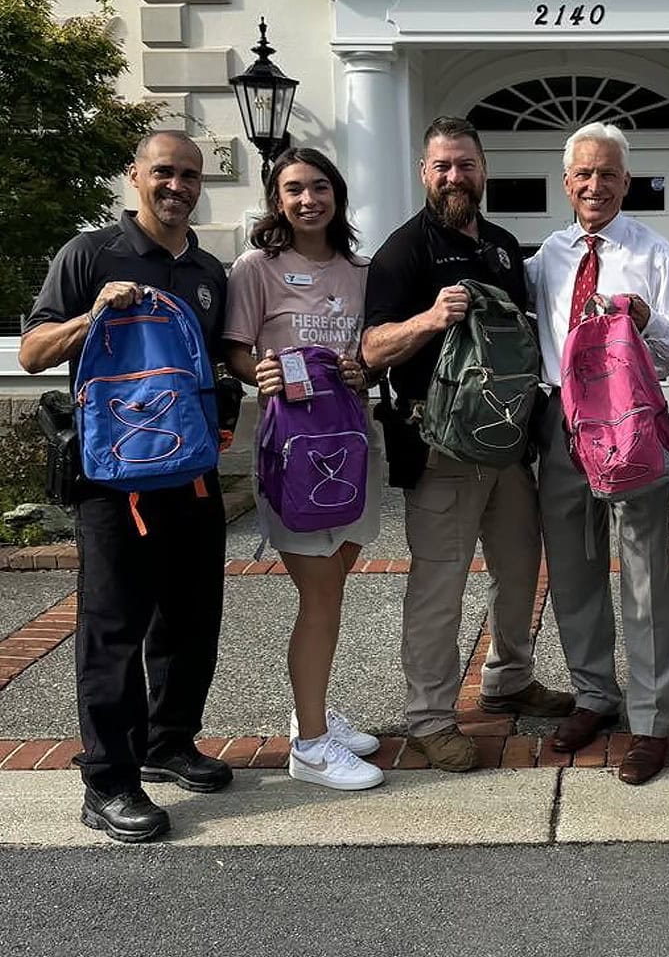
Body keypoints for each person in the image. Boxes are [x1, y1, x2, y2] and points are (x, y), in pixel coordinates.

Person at [19, 131, 232, 842]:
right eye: (164, 172)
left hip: (191, 473)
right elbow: (32, 351)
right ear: (135, 176)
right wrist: (92, 315)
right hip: (113, 480)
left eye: (190, 175)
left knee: (192, 616)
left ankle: (170, 741)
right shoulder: (89, 254)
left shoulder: (207, 268)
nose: (178, 185)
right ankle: (109, 780)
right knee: (114, 627)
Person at [361, 117, 573, 772]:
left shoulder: (506, 248)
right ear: (425, 173)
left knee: (519, 572)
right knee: (438, 587)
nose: (455, 176)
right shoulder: (403, 252)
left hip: (506, 448)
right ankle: (428, 717)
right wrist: (430, 318)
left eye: (465, 165)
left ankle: (508, 679)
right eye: (442, 166)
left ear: (483, 171)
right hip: (439, 448)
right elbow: (370, 351)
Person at [526, 122, 669, 785]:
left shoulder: (653, 251)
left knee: (645, 572)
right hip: (562, 425)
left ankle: (652, 719)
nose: (595, 185)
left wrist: (647, 316)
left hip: (631, 425)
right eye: (584, 175)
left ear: (626, 182)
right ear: (567, 183)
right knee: (573, 567)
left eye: (608, 174)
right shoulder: (549, 255)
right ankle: (595, 694)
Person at [224, 148, 385, 791]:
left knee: (335, 579)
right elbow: (235, 349)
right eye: (293, 189)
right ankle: (312, 747)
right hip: (293, 449)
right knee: (320, 596)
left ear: (337, 194)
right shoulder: (256, 268)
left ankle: (311, 711)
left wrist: (364, 368)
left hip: (353, 442)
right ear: (277, 200)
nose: (308, 199)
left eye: (319, 186)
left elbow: (373, 349)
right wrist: (255, 371)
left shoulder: (360, 270)